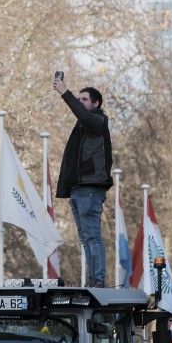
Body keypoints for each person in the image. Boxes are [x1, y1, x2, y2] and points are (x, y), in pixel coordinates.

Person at [53, 78, 113, 287]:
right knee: (85, 238)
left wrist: (65, 93)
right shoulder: (83, 126)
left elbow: (85, 116)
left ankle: (97, 280)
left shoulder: (97, 121)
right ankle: (92, 281)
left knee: (92, 236)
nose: (81, 102)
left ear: (96, 103)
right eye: (79, 99)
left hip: (90, 189)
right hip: (78, 190)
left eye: (84, 99)